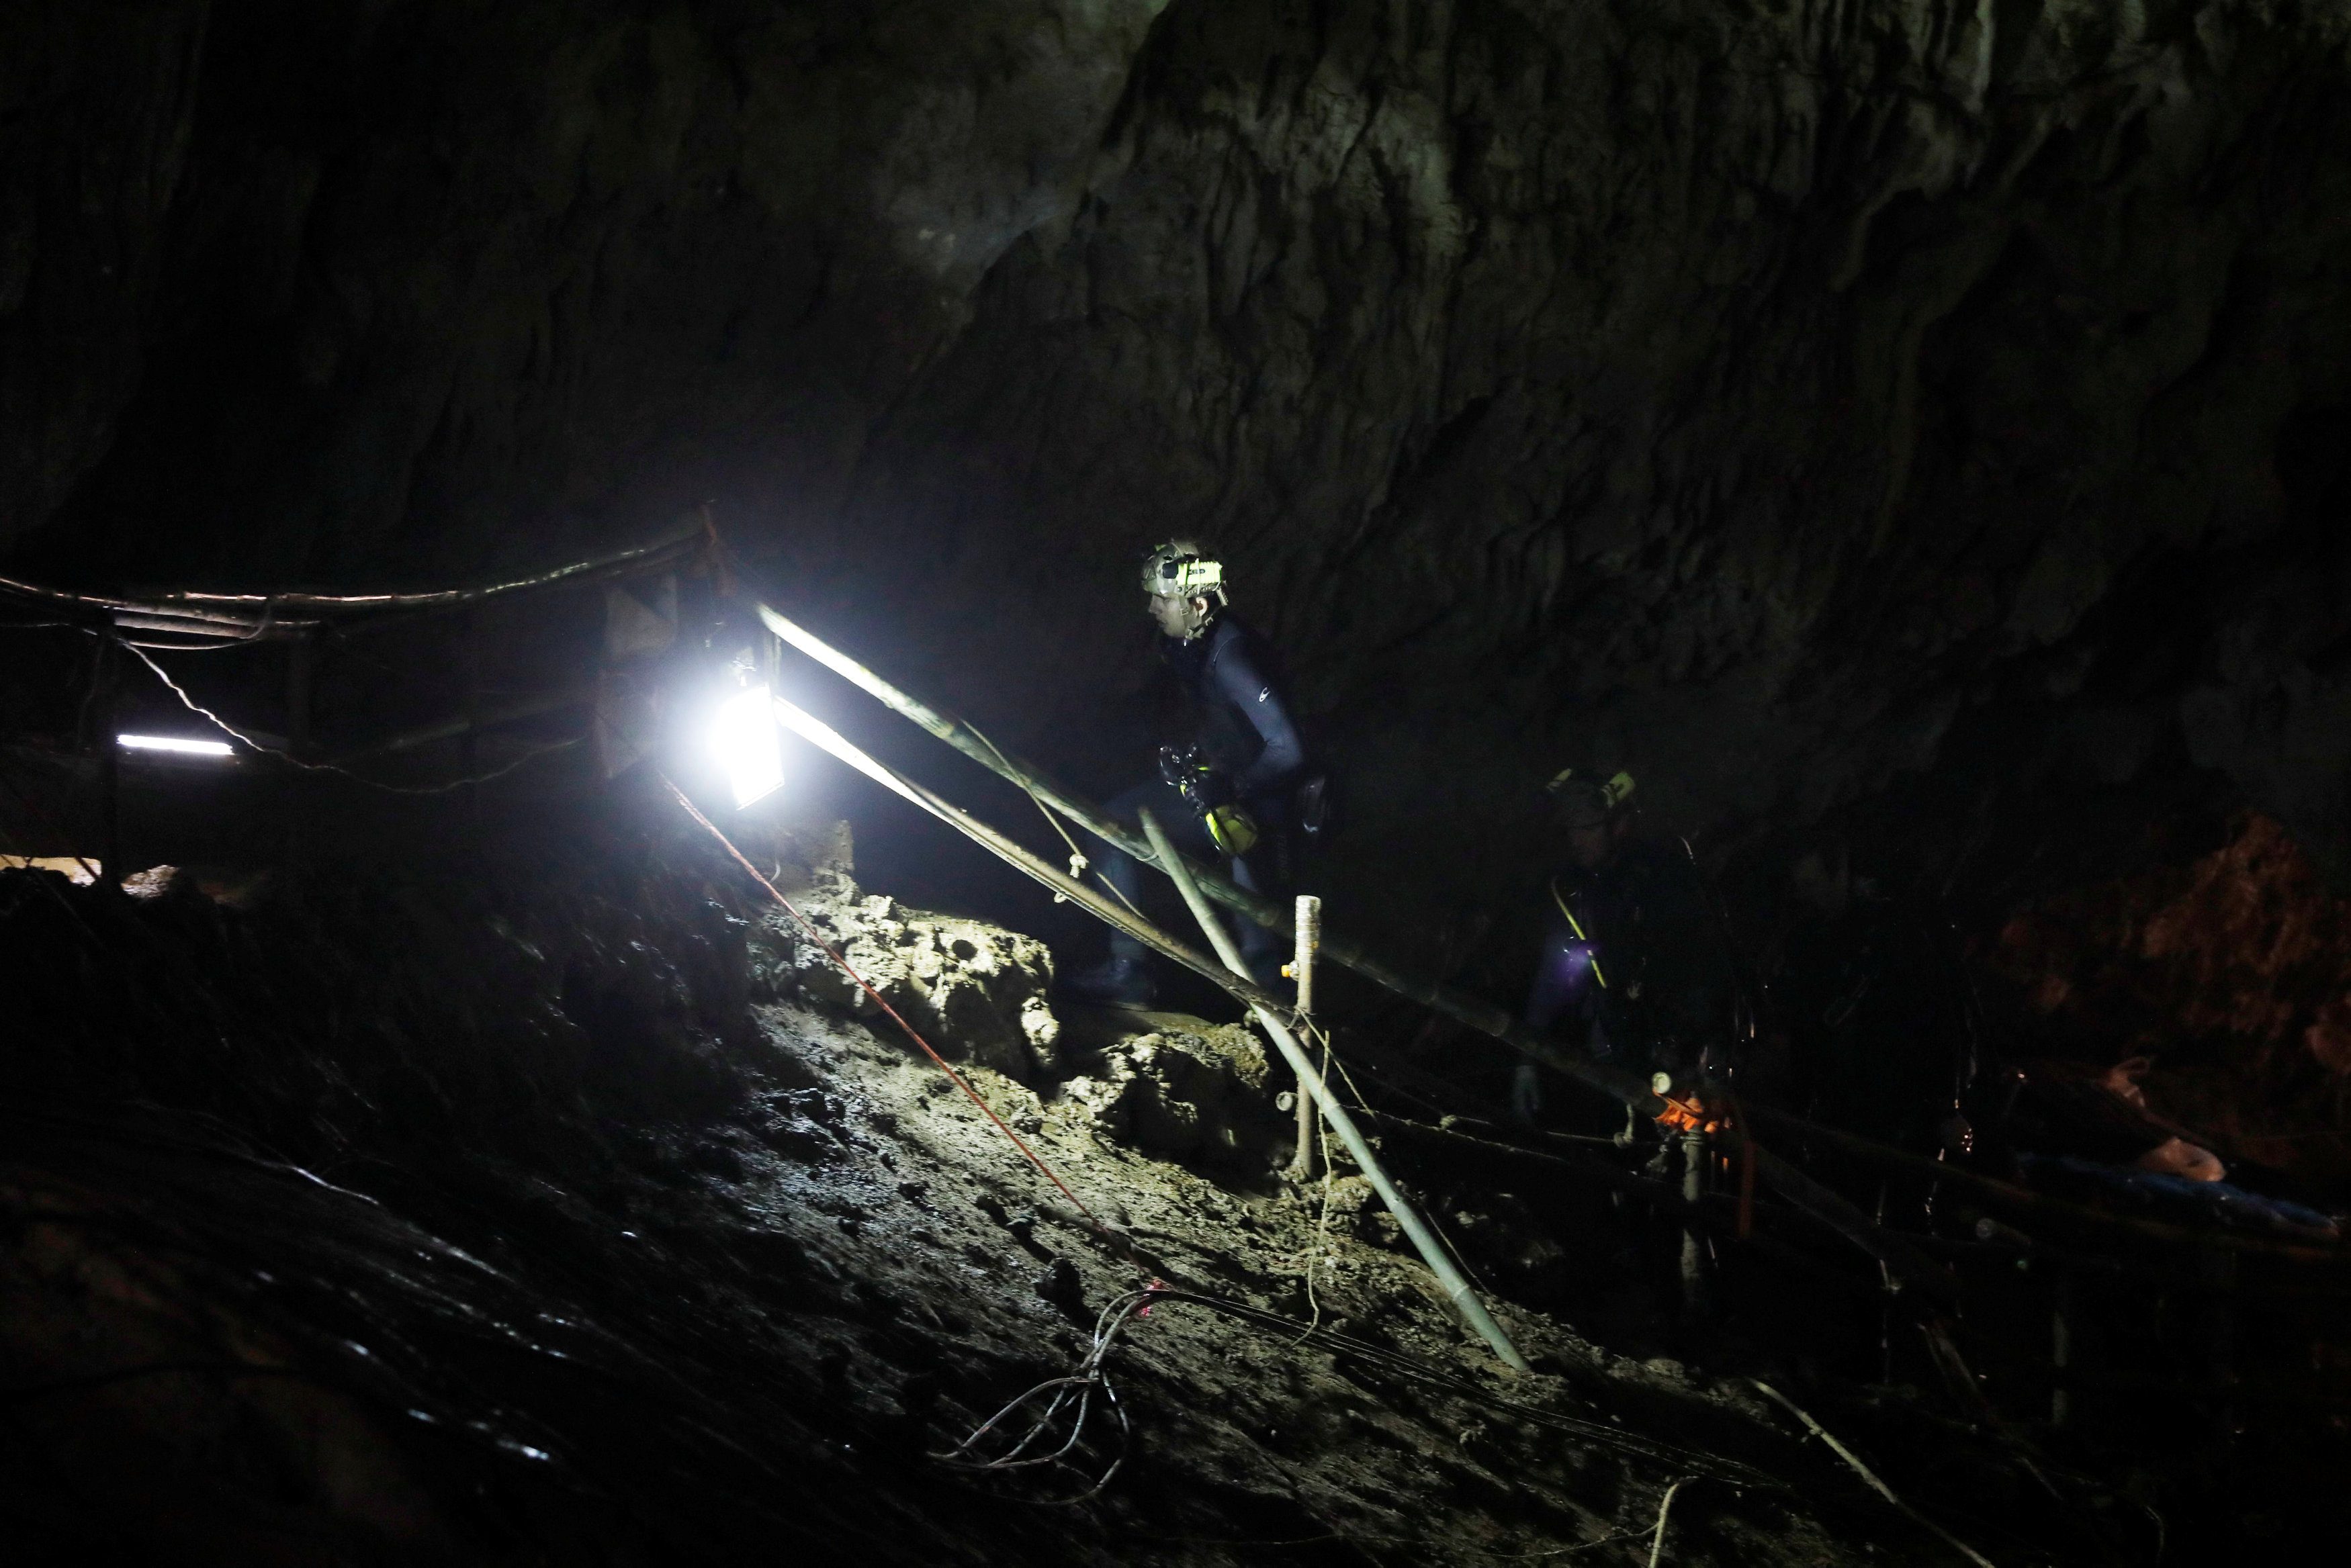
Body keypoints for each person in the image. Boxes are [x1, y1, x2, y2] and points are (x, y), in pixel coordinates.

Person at [1064, 542, 1311, 1008]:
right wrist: (1196, 758)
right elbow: (1224, 724)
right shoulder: (1187, 643)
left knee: (1260, 933)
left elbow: (1289, 748)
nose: (1152, 607)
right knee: (1115, 822)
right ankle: (1128, 971)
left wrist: (1234, 787)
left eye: (1162, 598)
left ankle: (1280, 1019)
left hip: (1261, 806)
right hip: (1224, 790)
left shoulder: (1233, 656)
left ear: (1197, 604)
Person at [1511, 768, 1734, 1123]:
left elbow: (1705, 967)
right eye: (1571, 829)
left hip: (1677, 1053)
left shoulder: (1663, 878)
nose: (1576, 839)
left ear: (1619, 825)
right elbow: (1552, 978)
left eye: (1588, 828)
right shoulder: (1573, 892)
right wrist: (1527, 1059)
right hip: (1616, 1053)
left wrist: (1705, 1056)